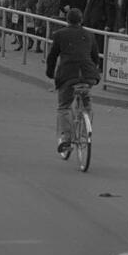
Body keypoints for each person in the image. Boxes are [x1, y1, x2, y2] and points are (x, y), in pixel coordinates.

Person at [45, 8, 101, 153]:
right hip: (88, 76)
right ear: (81, 20)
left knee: (64, 106)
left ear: (67, 20)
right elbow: (95, 57)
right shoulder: (89, 35)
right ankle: (85, 134)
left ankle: (66, 139)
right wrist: (93, 71)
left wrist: (50, 73)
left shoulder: (59, 35)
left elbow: (52, 57)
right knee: (87, 106)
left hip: (68, 76)